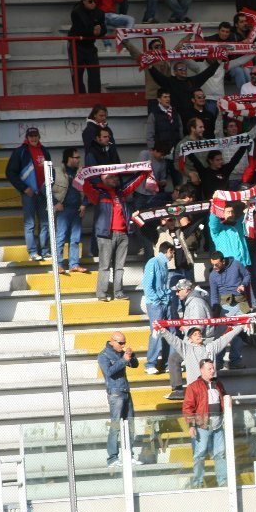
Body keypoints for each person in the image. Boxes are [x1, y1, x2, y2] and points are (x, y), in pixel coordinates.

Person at [87, 172, 144, 301]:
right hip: (106, 234)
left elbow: (134, 182)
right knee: (105, 266)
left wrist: (145, 171)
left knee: (119, 267)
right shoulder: (97, 193)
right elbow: (85, 185)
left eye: (115, 176)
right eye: (110, 177)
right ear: (103, 178)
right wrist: (82, 175)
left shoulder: (121, 192)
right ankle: (102, 293)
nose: (114, 179)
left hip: (123, 234)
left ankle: (118, 292)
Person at [5, 127, 51, 261]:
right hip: (28, 193)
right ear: (26, 137)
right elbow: (10, 173)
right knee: (30, 224)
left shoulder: (45, 151)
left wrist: (48, 186)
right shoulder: (20, 152)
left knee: (45, 223)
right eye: (31, 136)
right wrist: (24, 188)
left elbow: (50, 170)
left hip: (43, 192)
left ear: (39, 136)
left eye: (35, 135)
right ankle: (32, 252)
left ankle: (45, 251)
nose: (33, 138)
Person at [182, 359, 228, 488]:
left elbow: (224, 398)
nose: (212, 371)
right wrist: (191, 425)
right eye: (209, 369)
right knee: (200, 454)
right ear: (201, 370)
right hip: (202, 424)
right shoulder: (193, 386)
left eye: (213, 368)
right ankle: (198, 483)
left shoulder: (218, 384)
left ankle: (223, 482)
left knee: (220, 454)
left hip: (218, 425)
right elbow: (188, 407)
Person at [98, 332, 142, 468]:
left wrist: (131, 355)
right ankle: (112, 458)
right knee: (115, 426)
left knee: (130, 425)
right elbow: (109, 372)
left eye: (124, 343)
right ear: (112, 341)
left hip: (125, 391)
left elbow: (135, 365)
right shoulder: (103, 355)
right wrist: (123, 359)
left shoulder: (120, 353)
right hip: (115, 393)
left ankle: (129, 455)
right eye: (120, 343)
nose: (122, 346)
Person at [165, 278, 212, 400]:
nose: (176, 293)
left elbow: (197, 328)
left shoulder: (195, 303)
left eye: (178, 290)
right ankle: (180, 389)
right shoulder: (193, 301)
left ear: (186, 290)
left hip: (199, 343)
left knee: (174, 358)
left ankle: (178, 390)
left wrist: (185, 329)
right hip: (194, 341)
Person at [208, 252, 251, 370]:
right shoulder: (212, 275)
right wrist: (215, 308)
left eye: (217, 264)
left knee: (238, 334)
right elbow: (214, 295)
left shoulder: (236, 265)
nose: (215, 267)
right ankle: (218, 362)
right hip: (224, 306)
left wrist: (243, 284)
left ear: (223, 261)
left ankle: (235, 361)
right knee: (221, 335)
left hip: (240, 303)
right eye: (212, 265)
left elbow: (247, 275)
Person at [50, 148, 88, 274]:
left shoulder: (81, 172)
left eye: (78, 158)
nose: (78, 160)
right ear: (68, 158)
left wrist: (84, 205)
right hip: (64, 209)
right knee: (60, 237)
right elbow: (45, 188)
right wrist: (56, 203)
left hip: (77, 209)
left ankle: (74, 264)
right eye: (76, 157)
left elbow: (88, 189)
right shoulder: (56, 170)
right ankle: (58, 264)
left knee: (75, 238)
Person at [143, 242, 176, 375]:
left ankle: (169, 363)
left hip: (165, 302)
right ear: (168, 250)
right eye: (172, 252)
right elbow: (147, 285)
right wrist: (156, 300)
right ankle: (150, 363)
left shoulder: (164, 264)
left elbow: (162, 285)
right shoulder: (154, 262)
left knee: (171, 332)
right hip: (156, 303)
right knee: (156, 333)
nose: (173, 255)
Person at [68, 0, 107, 94]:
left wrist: (99, 31)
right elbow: (79, 29)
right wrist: (93, 32)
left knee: (95, 72)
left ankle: (95, 96)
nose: (93, 3)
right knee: (77, 73)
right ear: (84, 1)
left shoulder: (99, 12)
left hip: (89, 45)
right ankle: (80, 96)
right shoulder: (76, 12)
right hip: (76, 45)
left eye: (95, 1)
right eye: (90, 1)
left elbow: (104, 28)